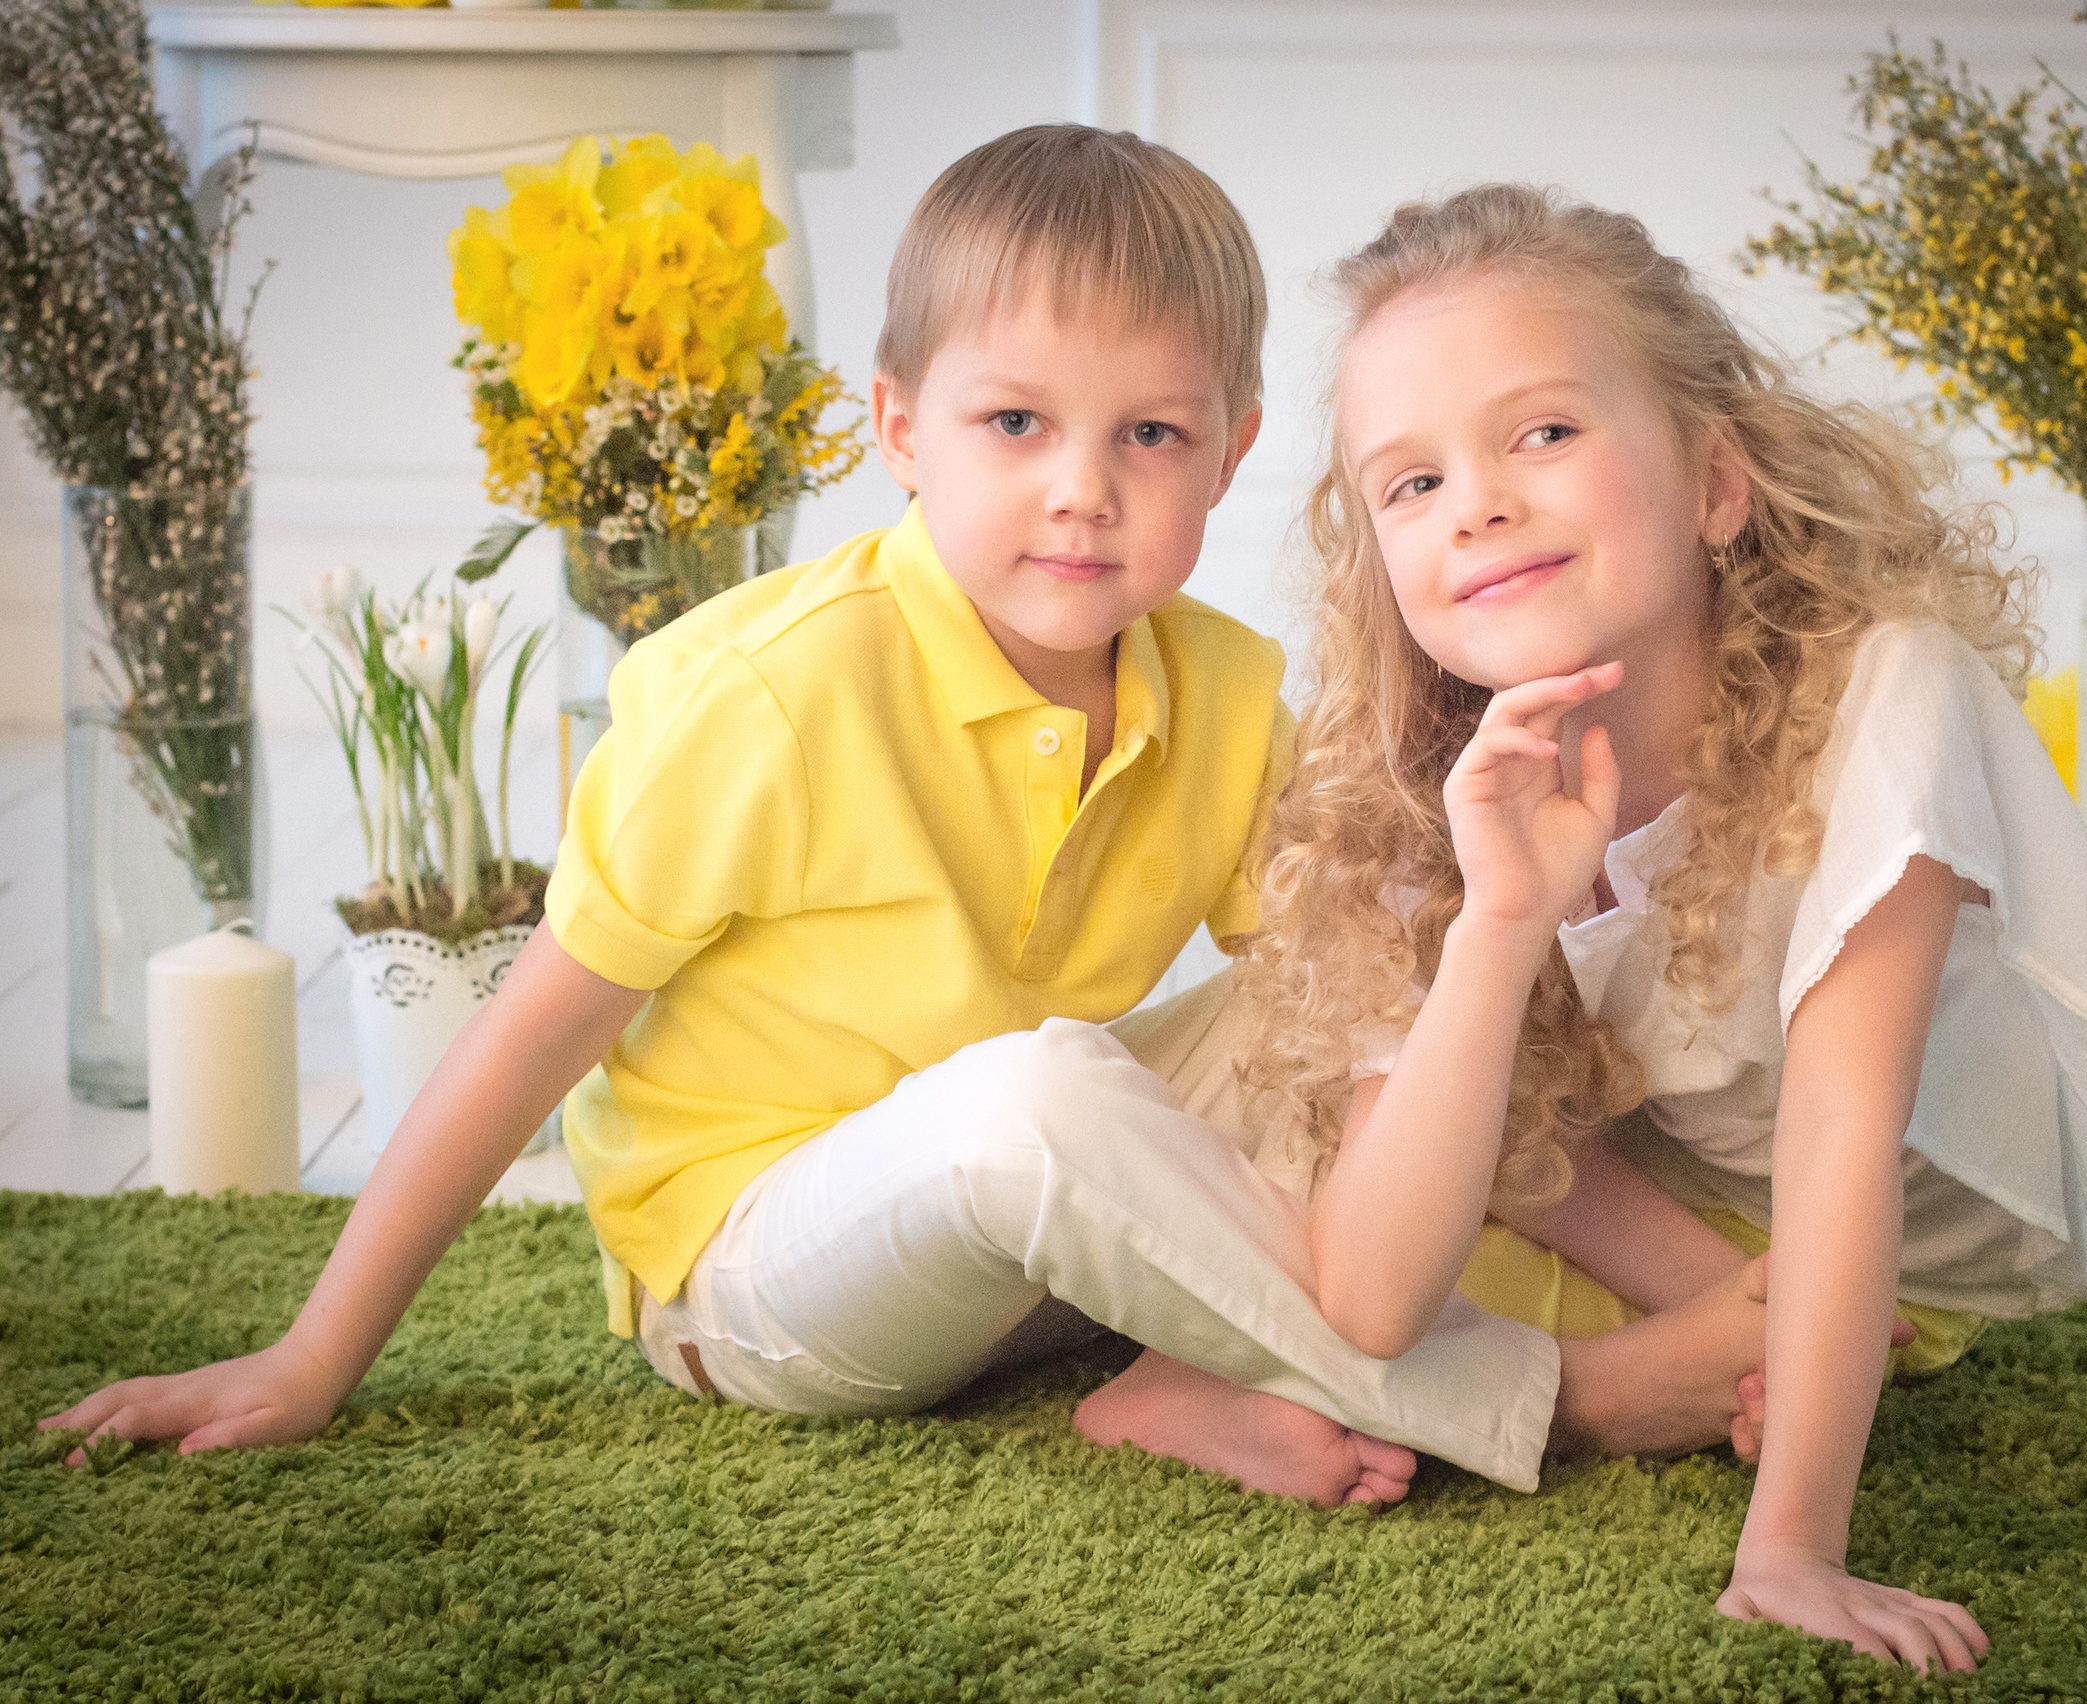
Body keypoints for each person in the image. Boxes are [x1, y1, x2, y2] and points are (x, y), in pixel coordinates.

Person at [40, 128, 1559, 1512]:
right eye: (1016, 421)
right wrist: (310, 1359)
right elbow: (524, 1040)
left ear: (1229, 454)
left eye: (1148, 436)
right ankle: (1561, 1400)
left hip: (1026, 1242)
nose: (1082, 490)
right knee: (1033, 1098)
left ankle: (1177, 1383)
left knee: (1365, 998)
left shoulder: (1227, 694)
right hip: (763, 1278)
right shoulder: (760, 693)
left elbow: (1343, 1032)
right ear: (902, 429)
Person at [1098, 184, 2087, 1672]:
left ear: (1714, 483)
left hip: (1880, 1240)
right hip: (1661, 1197)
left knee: (1349, 1233)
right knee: (1376, 1156)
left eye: (1544, 433)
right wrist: (1503, 920)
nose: (1479, 503)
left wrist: (1795, 1549)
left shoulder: (1888, 693)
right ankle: (1200, 1382)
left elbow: (1844, 1136)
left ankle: (1236, 1366)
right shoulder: (1421, 769)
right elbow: (1390, 1275)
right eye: (1411, 484)